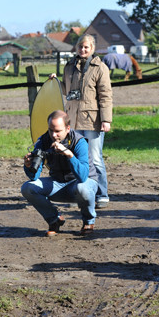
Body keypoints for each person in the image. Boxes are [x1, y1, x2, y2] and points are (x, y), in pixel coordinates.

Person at [21, 110, 99, 236]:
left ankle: (88, 221)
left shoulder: (79, 142)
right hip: (58, 184)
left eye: (58, 131)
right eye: (51, 130)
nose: (53, 134)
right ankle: (54, 219)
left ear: (67, 128)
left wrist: (70, 155)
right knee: (27, 188)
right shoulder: (43, 141)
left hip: (80, 184)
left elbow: (83, 177)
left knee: (82, 188)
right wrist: (28, 166)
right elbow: (34, 177)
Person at [59, 34, 113, 209]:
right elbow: (66, 90)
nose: (82, 50)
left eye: (86, 47)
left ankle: (101, 194)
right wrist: (55, 82)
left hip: (93, 121)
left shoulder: (100, 68)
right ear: (76, 47)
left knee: (95, 159)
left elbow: (105, 96)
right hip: (73, 121)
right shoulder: (68, 67)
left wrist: (106, 120)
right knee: (74, 158)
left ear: (92, 49)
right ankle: (77, 194)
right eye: (80, 47)